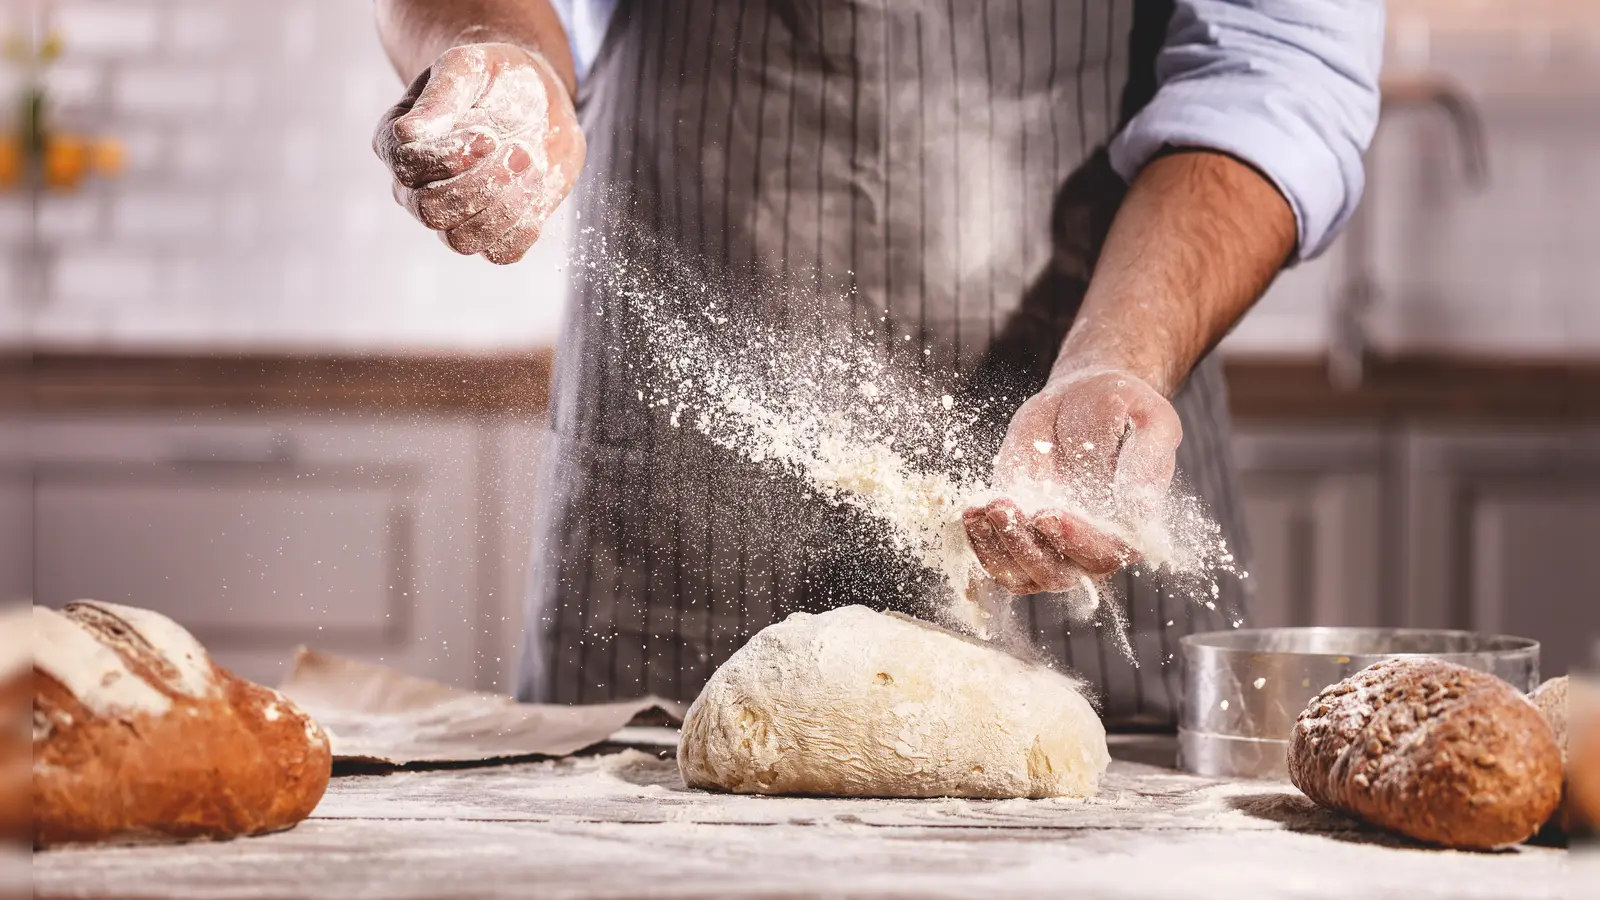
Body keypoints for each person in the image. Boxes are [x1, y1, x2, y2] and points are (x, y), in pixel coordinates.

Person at [372, 0, 1382, 727]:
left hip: (1079, 440)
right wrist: (497, 56)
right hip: (676, 490)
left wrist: (1118, 352)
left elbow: (1277, 65)